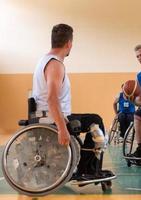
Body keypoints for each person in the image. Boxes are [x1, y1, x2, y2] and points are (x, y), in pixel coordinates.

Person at [32, 23, 106, 176]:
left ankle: (87, 168)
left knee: (91, 119)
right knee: (95, 121)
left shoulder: (44, 61)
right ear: (69, 44)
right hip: (51, 118)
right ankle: (89, 169)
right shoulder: (55, 65)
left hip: (46, 115)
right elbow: (52, 98)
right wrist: (62, 128)